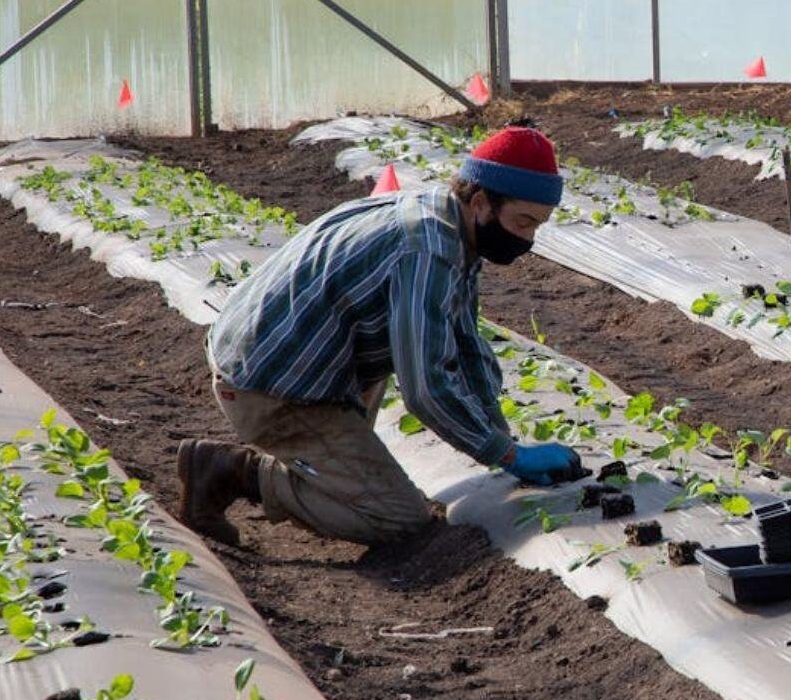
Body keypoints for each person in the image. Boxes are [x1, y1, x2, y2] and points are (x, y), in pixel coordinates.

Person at [177, 125, 583, 550]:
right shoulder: (427, 250)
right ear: (481, 202)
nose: (528, 239)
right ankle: (233, 472)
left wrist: (502, 438)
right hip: (273, 382)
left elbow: (462, 345)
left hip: (310, 363)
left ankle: (322, 469)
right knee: (399, 518)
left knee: (364, 474)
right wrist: (507, 456)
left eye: (538, 226)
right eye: (523, 222)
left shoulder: (449, 221)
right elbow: (425, 388)